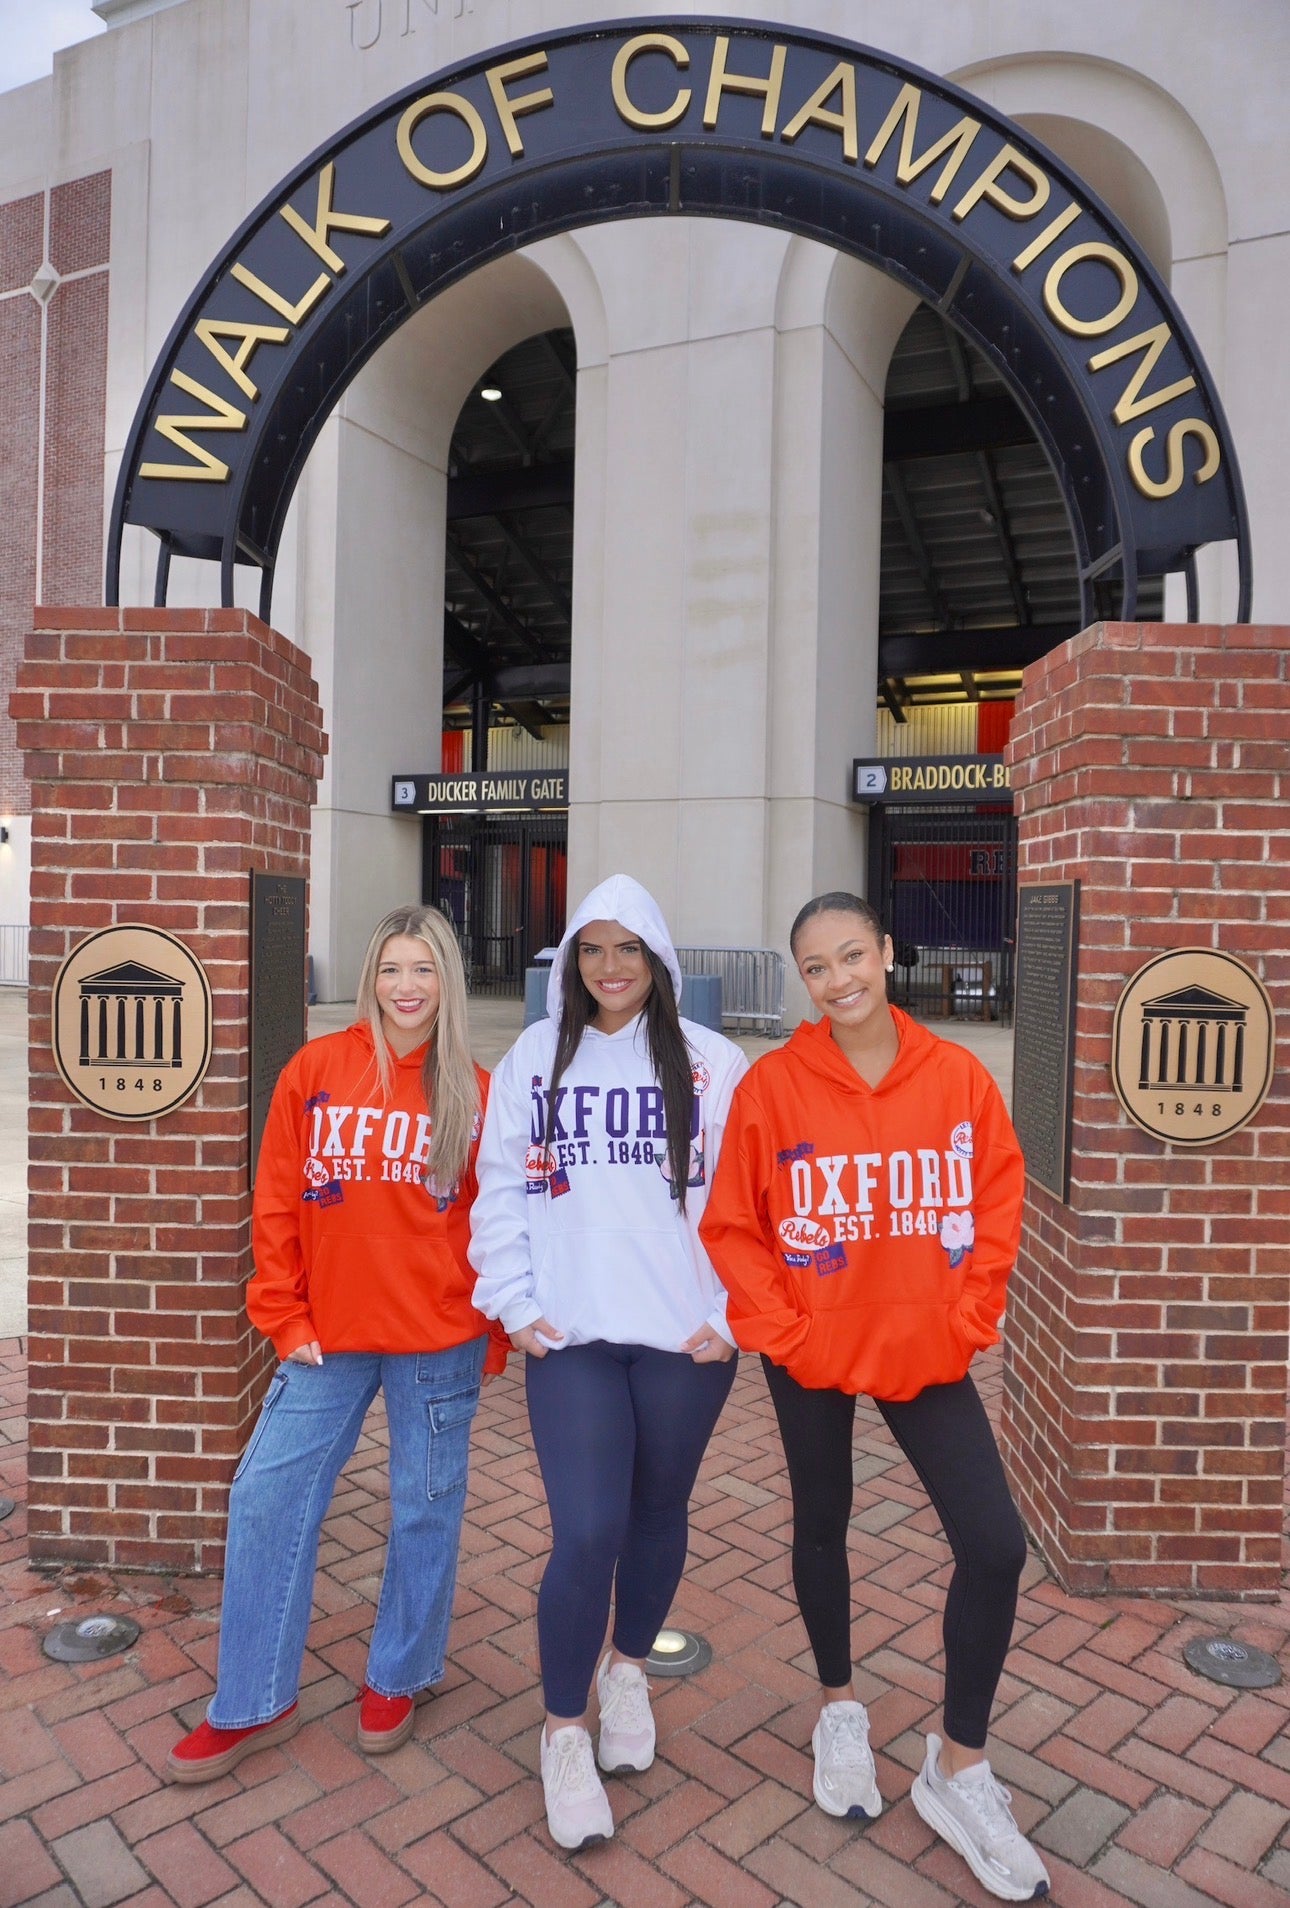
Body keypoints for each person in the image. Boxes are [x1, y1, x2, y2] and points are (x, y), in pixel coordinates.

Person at [701, 892, 1049, 1905]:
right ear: (800, 980)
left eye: (853, 955)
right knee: (824, 1521)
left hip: (924, 1345)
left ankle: (960, 1764)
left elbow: (997, 1199)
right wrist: (786, 1334)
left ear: (887, 953)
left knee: (994, 1545)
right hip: (812, 1347)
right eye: (816, 966)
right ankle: (840, 1710)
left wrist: (967, 1318)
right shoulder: (773, 1088)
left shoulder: (954, 1076)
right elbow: (734, 1227)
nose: (838, 978)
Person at [166, 906, 505, 1784]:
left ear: (446, 983)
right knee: (266, 1497)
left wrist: (494, 1325)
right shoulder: (317, 1069)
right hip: (329, 1335)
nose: (406, 987)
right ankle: (252, 1698)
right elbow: (277, 1197)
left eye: (424, 970)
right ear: (370, 977)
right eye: (392, 968)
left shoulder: (474, 1087)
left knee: (423, 1507)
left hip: (438, 1338)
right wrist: (283, 1313)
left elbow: (501, 1225)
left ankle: (400, 1673)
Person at [469, 874, 748, 1852]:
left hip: (685, 1341)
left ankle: (628, 1669)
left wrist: (735, 1313)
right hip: (575, 1338)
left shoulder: (716, 1064)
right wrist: (514, 1300)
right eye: (593, 949)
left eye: (630, 949)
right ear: (570, 961)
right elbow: (499, 1188)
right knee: (587, 1532)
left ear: (660, 959)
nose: (611, 967)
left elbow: (754, 1203)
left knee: (659, 1513)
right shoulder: (537, 1057)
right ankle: (562, 1730)